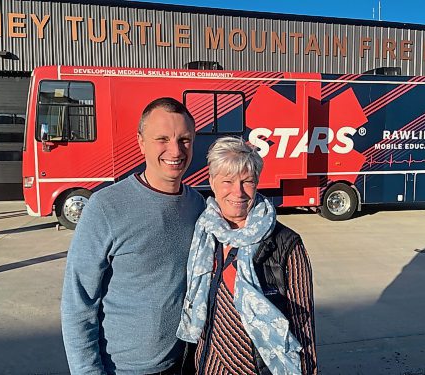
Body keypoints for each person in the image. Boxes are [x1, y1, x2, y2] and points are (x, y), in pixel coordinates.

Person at [61, 97, 205, 374]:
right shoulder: (106, 207)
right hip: (123, 368)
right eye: (162, 139)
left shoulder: (197, 205)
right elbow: (78, 301)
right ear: (141, 142)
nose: (175, 150)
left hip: (185, 362)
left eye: (184, 140)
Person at [177, 136, 317, 375]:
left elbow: (304, 325)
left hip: (259, 366)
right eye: (227, 181)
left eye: (247, 181)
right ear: (211, 182)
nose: (238, 192)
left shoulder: (286, 243)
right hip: (208, 363)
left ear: (257, 182)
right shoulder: (204, 234)